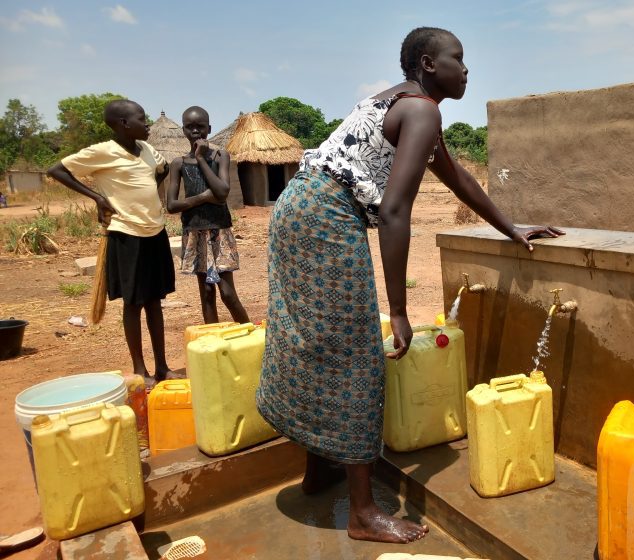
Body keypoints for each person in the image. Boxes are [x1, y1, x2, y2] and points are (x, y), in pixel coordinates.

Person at [256, 27, 563, 544]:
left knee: (321, 341)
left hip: (297, 208)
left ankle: (318, 469)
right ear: (427, 64)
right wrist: (398, 309)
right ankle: (362, 513)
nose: (466, 69)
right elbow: (396, 210)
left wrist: (511, 227)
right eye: (457, 59)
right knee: (356, 351)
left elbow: (456, 177)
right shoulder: (422, 109)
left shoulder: (405, 104)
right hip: (327, 218)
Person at [48, 99, 175, 387]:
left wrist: (146, 196)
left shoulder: (147, 150)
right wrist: (98, 198)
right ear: (123, 124)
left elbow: (162, 170)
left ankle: (163, 366)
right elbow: (56, 170)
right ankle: (140, 370)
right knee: (134, 303)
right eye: (142, 119)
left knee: (155, 301)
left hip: (155, 232)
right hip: (126, 234)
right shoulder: (103, 152)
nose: (148, 124)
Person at [166, 106, 249, 325]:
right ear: (183, 130)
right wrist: (203, 197)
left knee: (228, 293)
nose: (195, 131)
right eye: (190, 127)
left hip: (219, 230)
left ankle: (250, 335)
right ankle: (214, 346)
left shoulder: (220, 156)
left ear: (209, 129)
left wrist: (201, 158)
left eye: (200, 126)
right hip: (193, 231)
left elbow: (222, 194)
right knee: (206, 294)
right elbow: (172, 205)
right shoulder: (178, 164)